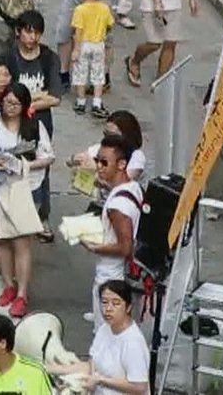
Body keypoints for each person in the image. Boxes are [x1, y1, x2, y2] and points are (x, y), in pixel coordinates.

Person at [0, 84, 53, 319]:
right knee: (2, 240)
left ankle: (22, 293)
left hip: (26, 189)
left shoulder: (34, 126)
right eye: (7, 102)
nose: (11, 107)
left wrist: (23, 164)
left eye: (16, 103)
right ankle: (8, 284)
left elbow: (48, 156)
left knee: (21, 243)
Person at [83, 135, 144, 332]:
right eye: (97, 160)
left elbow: (125, 247)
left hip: (111, 277)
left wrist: (94, 247)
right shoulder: (133, 188)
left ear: (121, 164)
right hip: (117, 276)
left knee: (106, 335)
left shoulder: (117, 205)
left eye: (104, 162)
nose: (99, 166)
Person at [47, 281, 149, 395]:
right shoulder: (104, 329)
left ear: (128, 307)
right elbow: (92, 366)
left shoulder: (133, 342)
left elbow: (140, 387)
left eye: (116, 303)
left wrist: (101, 380)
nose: (108, 308)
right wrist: (48, 369)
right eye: (104, 302)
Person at [67, 0, 114, 118]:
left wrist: (76, 49)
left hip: (84, 44)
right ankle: (97, 103)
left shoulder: (80, 10)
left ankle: (81, 102)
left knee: (80, 73)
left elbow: (78, 31)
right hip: (98, 44)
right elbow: (110, 25)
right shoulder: (104, 8)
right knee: (98, 73)